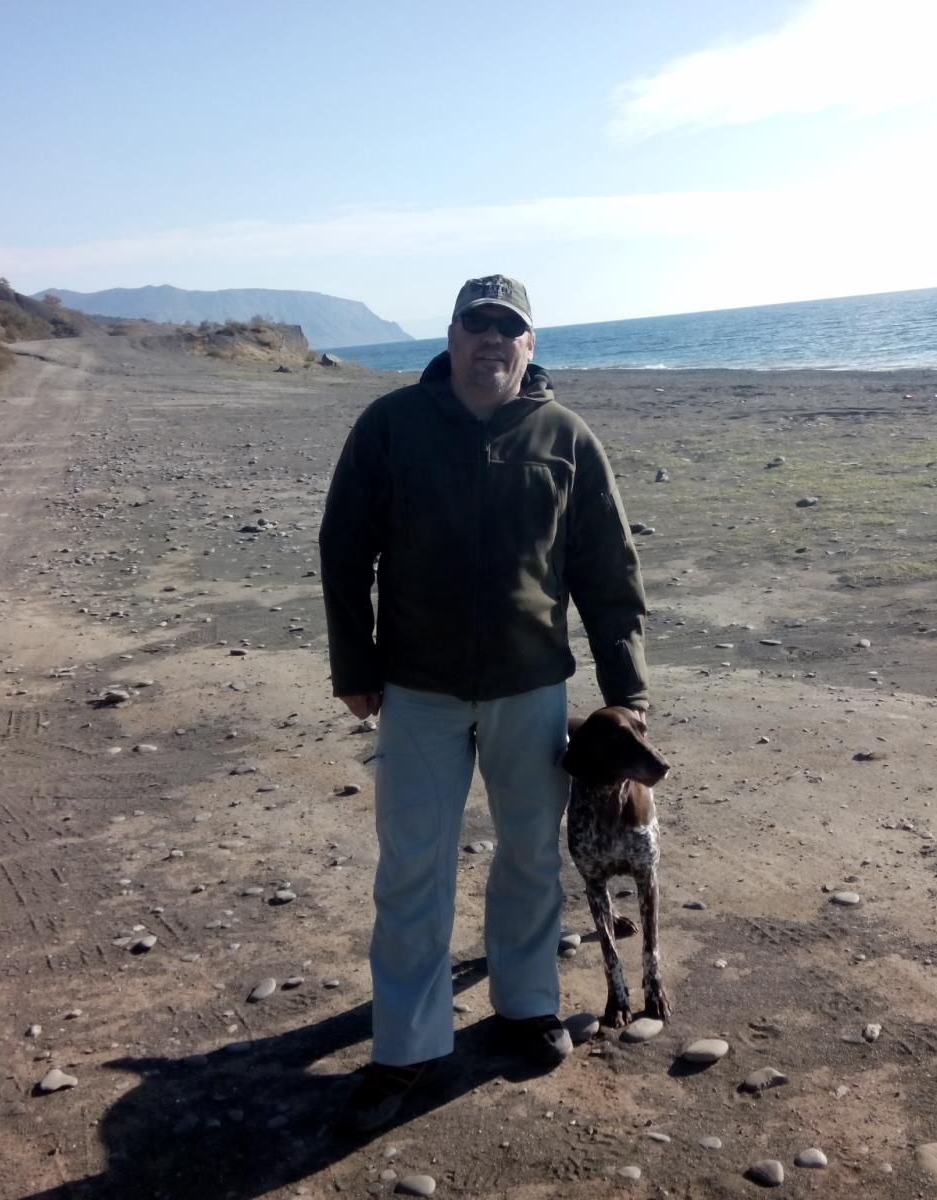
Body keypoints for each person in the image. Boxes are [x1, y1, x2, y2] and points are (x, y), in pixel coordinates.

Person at [318, 274, 650, 1131]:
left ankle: (527, 1002)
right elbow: (345, 547)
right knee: (412, 864)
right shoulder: (392, 425)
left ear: (529, 345)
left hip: (530, 686)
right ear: (453, 335)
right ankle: (407, 1044)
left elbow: (607, 570)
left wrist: (628, 689)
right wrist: (354, 664)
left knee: (532, 852)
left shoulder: (565, 436)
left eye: (510, 327)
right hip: (417, 688)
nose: (492, 339)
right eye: (478, 324)